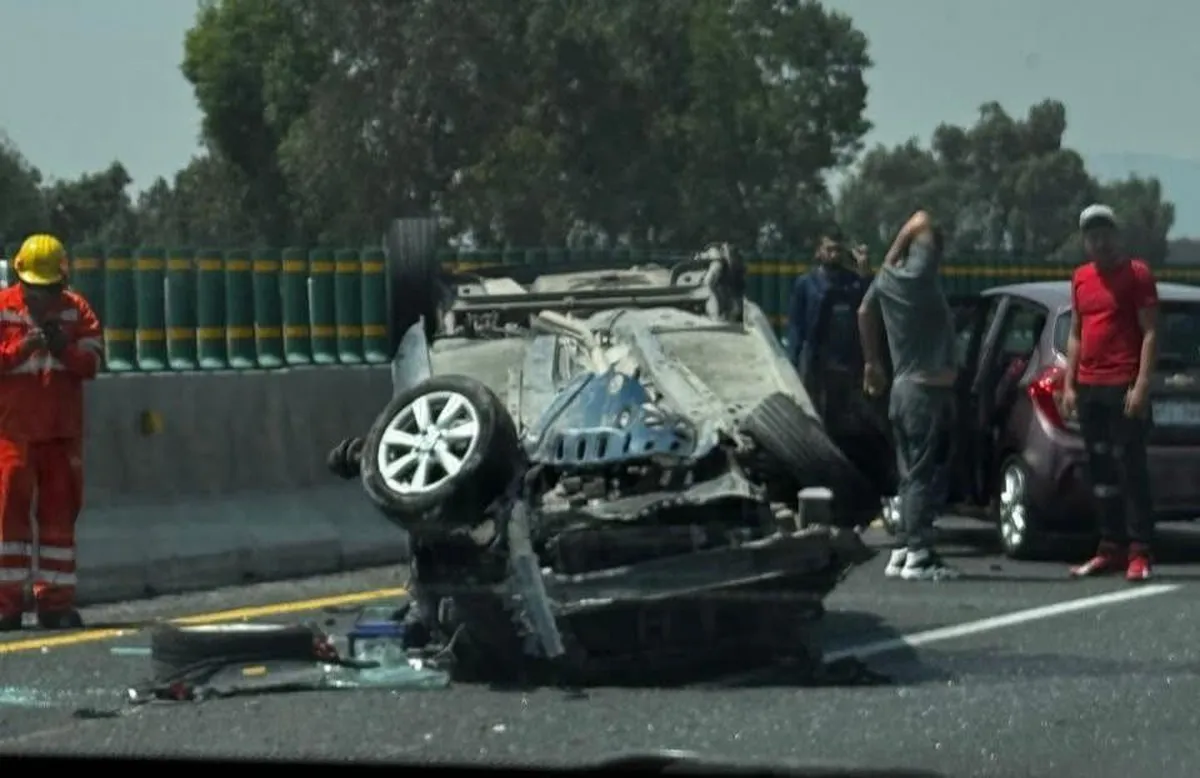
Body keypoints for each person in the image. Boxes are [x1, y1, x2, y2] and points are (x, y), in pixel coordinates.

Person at [0, 234, 103, 631]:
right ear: (20, 279)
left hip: (61, 436)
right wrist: (21, 348)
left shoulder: (77, 311)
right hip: (12, 435)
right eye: (34, 289)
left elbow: (92, 363)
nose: (41, 297)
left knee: (59, 524)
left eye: (49, 289)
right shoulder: (3, 308)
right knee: (7, 522)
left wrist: (65, 349)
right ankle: (6, 606)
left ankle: (55, 605)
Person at [857, 210, 960, 581]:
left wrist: (872, 362)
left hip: (901, 389)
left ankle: (902, 546)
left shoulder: (888, 279)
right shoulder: (920, 281)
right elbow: (923, 219)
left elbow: (864, 310)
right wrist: (909, 235)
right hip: (924, 391)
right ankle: (919, 552)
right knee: (920, 474)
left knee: (907, 474)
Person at [1062, 205, 1158, 582]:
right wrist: (1069, 385)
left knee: (1130, 469)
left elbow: (1150, 332)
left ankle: (1140, 551)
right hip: (1090, 386)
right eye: (1092, 236)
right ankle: (1109, 547)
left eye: (1105, 234)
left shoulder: (1137, 275)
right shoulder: (1081, 278)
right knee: (1101, 472)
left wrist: (1142, 384)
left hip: (1124, 385)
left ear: (1117, 236)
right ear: (1085, 241)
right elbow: (1076, 334)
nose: (1100, 242)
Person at [785, 226, 871, 403]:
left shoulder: (854, 283)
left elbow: (871, 310)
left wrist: (865, 272)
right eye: (829, 249)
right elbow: (796, 326)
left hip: (848, 365)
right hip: (816, 365)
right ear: (819, 251)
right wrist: (793, 361)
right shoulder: (807, 283)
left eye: (838, 250)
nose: (834, 255)